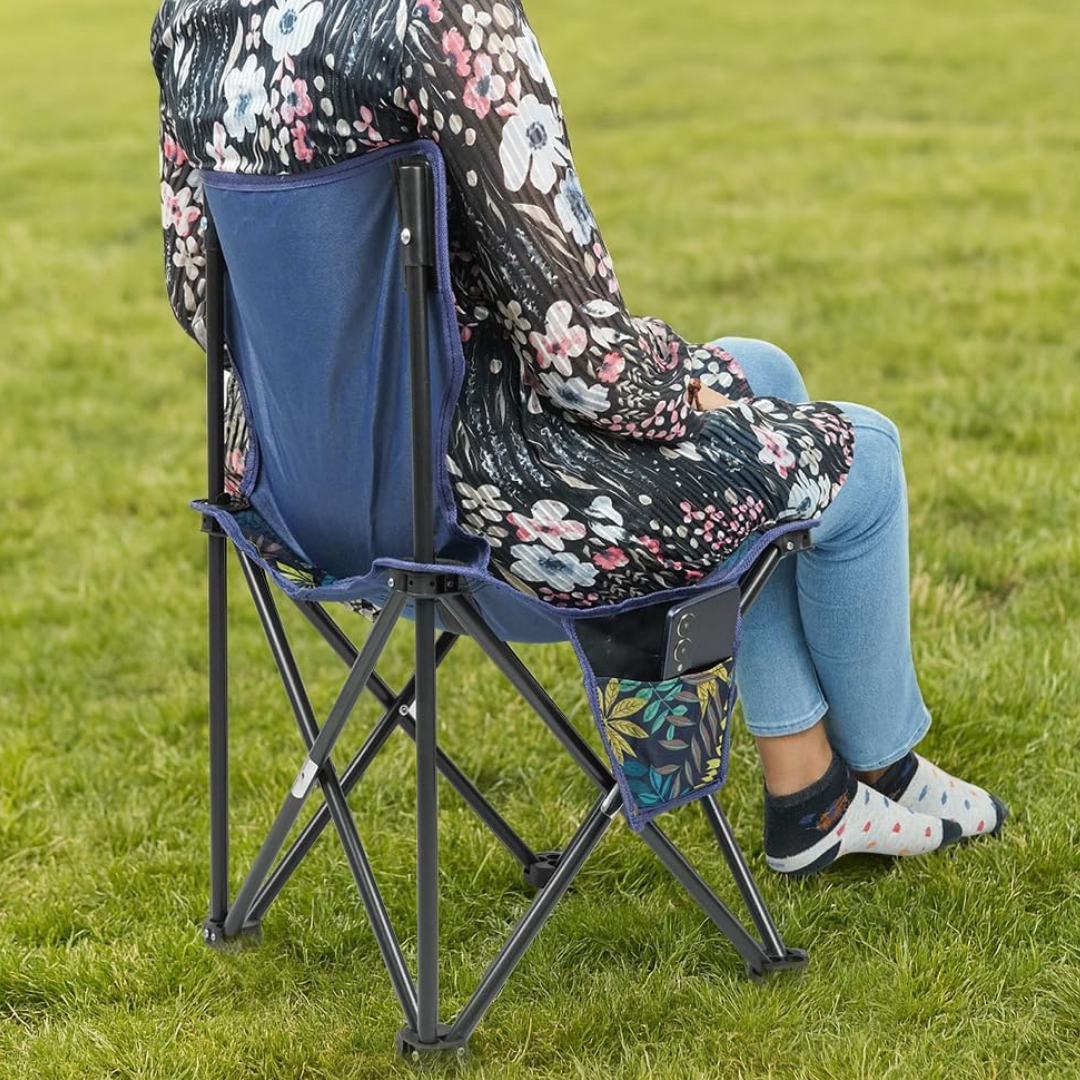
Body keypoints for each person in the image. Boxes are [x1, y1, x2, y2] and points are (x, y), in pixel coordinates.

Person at [152, 0, 1006, 875]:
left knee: (768, 374)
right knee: (865, 453)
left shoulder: (192, 23)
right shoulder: (443, 19)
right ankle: (885, 771)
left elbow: (199, 299)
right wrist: (684, 383)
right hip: (492, 525)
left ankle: (807, 791)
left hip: (305, 507)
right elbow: (582, 356)